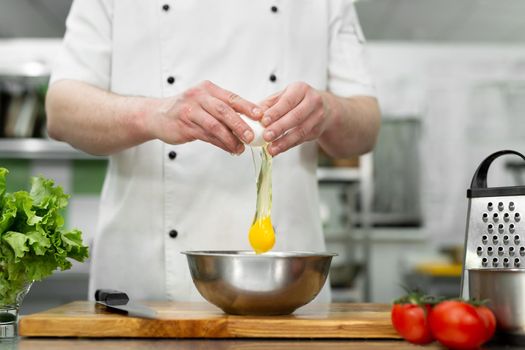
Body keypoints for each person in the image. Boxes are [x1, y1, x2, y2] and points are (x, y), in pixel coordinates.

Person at [46, 0, 381, 303]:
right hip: (144, 288)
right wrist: (153, 114)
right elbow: (61, 113)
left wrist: (330, 110)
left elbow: (366, 130)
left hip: (288, 290)